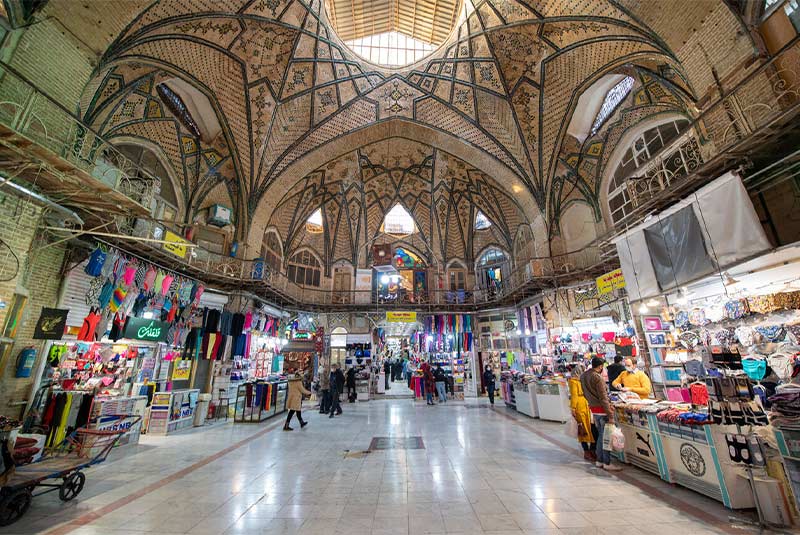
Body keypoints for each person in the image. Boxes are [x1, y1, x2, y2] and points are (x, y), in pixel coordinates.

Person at [580, 357, 621, 471]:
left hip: (593, 409)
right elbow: (603, 397)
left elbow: (584, 393)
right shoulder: (597, 377)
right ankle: (607, 462)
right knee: (606, 437)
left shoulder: (583, 376)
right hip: (603, 410)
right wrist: (610, 414)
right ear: (600, 366)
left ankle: (599, 461)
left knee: (600, 436)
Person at [567, 363, 596, 461]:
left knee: (587, 429)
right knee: (585, 428)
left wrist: (573, 408)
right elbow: (575, 395)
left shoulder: (577, 381)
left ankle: (589, 450)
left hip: (583, 406)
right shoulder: (578, 381)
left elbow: (576, 395)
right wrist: (573, 408)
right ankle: (588, 451)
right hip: (583, 405)